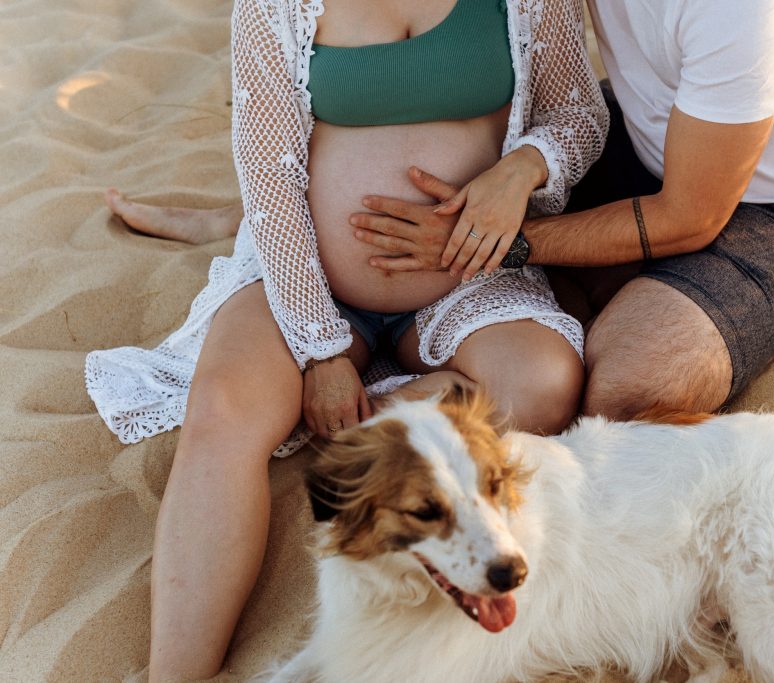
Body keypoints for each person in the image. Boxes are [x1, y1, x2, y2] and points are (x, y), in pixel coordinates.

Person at [86, 0, 607, 679]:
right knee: (223, 412)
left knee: (542, 383)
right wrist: (321, 349)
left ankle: (388, 414)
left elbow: (578, 114)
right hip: (303, 274)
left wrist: (524, 166)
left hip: (468, 281)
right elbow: (269, 174)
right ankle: (176, 672)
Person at [113, 0, 774, 424]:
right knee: (434, 160)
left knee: (623, 389)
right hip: (651, 137)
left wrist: (497, 242)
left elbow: (691, 215)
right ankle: (249, 217)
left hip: (772, 212)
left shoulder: (750, 11)